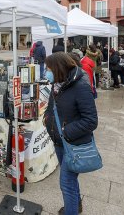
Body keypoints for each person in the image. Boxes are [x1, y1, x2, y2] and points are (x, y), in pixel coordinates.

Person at [43, 52, 98, 215]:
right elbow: (51, 107)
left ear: (58, 68)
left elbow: (91, 121)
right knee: (71, 180)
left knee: (66, 183)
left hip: (73, 143)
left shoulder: (80, 86)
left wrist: (65, 132)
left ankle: (71, 210)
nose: (46, 71)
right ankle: (76, 205)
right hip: (60, 142)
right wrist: (47, 118)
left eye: (48, 68)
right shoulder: (58, 84)